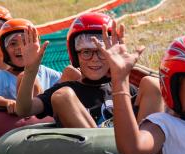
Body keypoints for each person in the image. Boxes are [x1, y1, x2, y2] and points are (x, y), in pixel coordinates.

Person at [15, 12, 163, 128]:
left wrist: (121, 77)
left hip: (131, 150)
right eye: (86, 52)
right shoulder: (67, 89)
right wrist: (30, 70)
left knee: (152, 83)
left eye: (101, 52)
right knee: (61, 96)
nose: (94, 58)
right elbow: (24, 110)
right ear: (75, 55)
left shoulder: (125, 88)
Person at [0, 18, 75, 114]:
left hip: (50, 117)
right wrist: (6, 102)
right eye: (13, 43)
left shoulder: (45, 72)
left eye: (25, 42)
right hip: (22, 122)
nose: (21, 48)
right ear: (4, 51)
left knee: (70, 71)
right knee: (24, 77)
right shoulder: (1, 76)